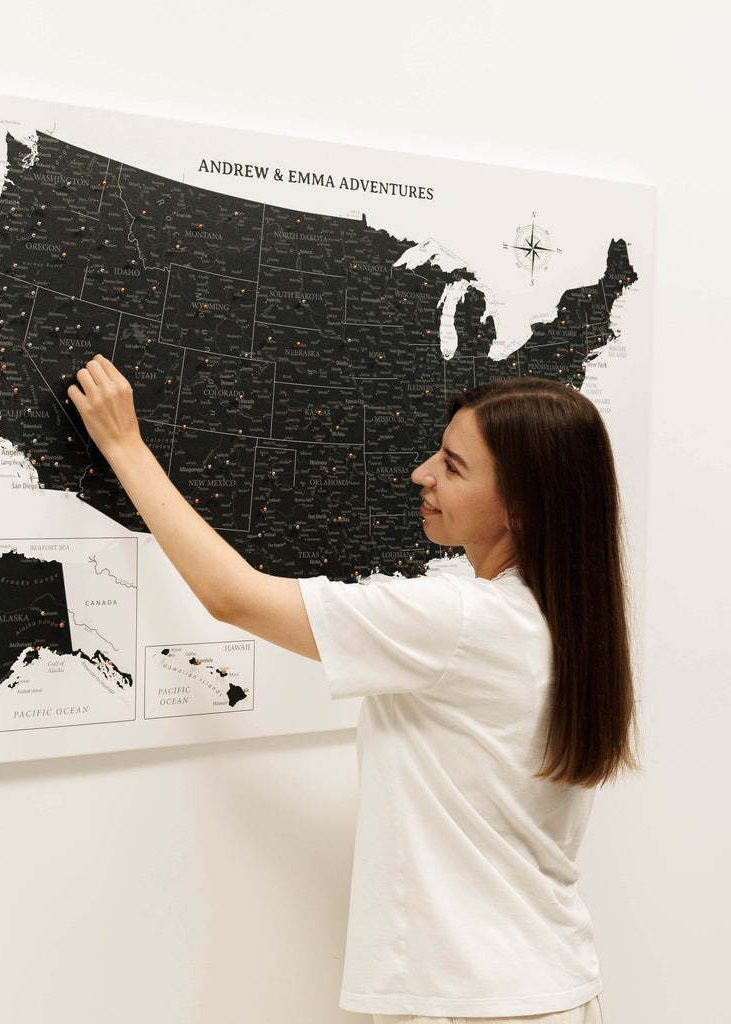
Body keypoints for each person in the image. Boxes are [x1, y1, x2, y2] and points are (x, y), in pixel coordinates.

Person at [67, 355, 637, 1023]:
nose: (423, 473)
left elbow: (231, 597)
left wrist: (124, 445)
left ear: (520, 507)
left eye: (453, 468)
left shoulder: (460, 622)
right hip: (548, 984)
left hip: (470, 1000)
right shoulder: (563, 615)